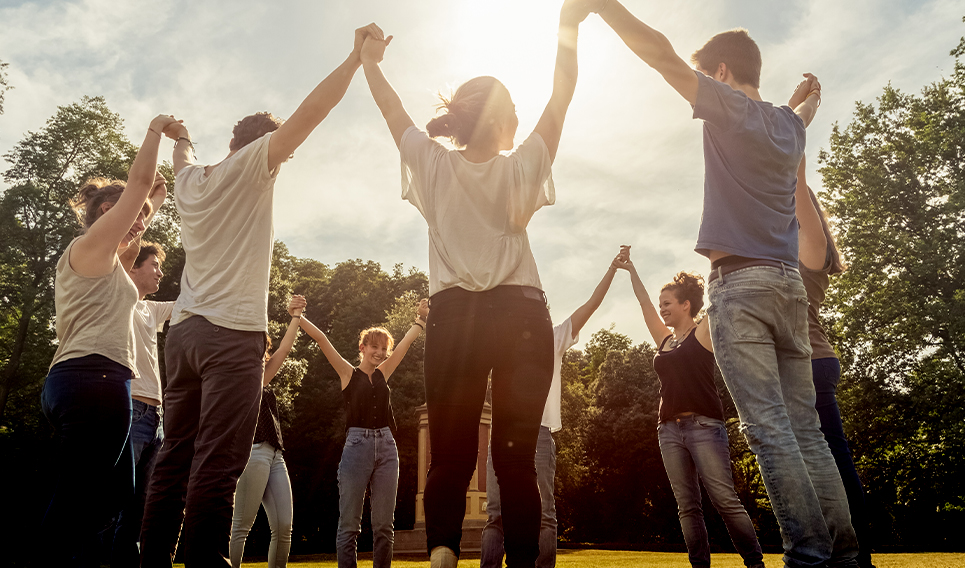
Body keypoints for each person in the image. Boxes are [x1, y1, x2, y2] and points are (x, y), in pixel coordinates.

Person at [592, 4, 859, 567]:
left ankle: (808, 557)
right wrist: (806, 96)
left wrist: (603, 7)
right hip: (790, 287)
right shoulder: (787, 126)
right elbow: (799, 112)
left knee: (768, 432)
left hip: (742, 284)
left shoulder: (728, 105)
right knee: (806, 432)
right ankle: (846, 555)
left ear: (719, 72)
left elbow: (660, 56)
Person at [139, 24, 387, 568]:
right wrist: (353, 60)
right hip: (230, 336)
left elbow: (182, 158)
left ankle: (153, 557)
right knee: (220, 455)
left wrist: (180, 136)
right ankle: (203, 556)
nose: (285, 160)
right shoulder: (256, 163)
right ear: (259, 145)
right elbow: (311, 113)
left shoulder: (190, 181)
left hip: (182, 335)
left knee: (176, 451)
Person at [360, 2, 594, 566]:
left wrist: (370, 62)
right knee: (514, 456)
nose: (518, 113)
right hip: (520, 315)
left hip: (454, 316)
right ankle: (519, 558)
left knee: (451, 450)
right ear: (500, 118)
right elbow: (562, 97)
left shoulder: (434, 165)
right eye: (512, 105)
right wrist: (568, 27)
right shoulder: (522, 165)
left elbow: (392, 112)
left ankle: (441, 546)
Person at [39, 114, 180, 567]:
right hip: (90, 379)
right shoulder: (89, 247)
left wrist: (154, 199)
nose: (140, 226)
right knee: (79, 497)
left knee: (116, 491)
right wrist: (156, 132)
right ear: (106, 214)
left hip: (95, 381)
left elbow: (144, 204)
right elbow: (136, 191)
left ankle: (72, 556)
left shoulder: (109, 262)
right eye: (131, 217)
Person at [616, 247, 764, 568]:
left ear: (686, 305)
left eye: (667, 304)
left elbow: (721, 297)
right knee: (687, 506)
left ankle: (755, 564)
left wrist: (731, 258)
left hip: (704, 427)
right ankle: (699, 566)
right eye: (661, 306)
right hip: (668, 430)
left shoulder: (703, 332)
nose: (662, 310)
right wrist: (631, 271)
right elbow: (643, 305)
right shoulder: (665, 341)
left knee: (724, 500)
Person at [481, 250, 623, 568]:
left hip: (539, 433)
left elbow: (590, 305)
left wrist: (612, 268)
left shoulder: (554, 337)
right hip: (500, 436)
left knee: (543, 513)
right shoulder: (497, 341)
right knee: (496, 515)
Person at [296, 298, 429, 568]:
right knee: (349, 525)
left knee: (383, 526)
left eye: (383, 349)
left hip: (387, 447)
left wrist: (420, 319)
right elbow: (322, 340)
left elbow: (403, 347)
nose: (380, 353)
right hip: (357, 447)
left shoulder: (383, 374)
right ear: (363, 348)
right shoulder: (348, 373)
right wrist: (299, 316)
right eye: (374, 347)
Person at [794, 160, 875, 568]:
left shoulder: (811, 251)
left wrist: (792, 143)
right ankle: (839, 552)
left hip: (812, 363)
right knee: (818, 464)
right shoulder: (796, 251)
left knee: (834, 463)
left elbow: (798, 188)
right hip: (810, 364)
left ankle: (858, 557)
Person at [111, 238, 175, 568]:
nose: (160, 272)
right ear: (134, 266)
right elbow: (116, 258)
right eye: (154, 265)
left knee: (141, 506)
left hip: (157, 419)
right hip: (131, 410)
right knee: (115, 501)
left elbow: (191, 303)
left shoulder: (152, 310)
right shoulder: (117, 296)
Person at [229, 295, 307, 568]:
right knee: (241, 526)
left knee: (284, 527)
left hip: (276, 456)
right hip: (254, 453)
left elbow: (284, 350)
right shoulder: (241, 379)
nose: (262, 352)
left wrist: (295, 317)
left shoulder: (262, 375)